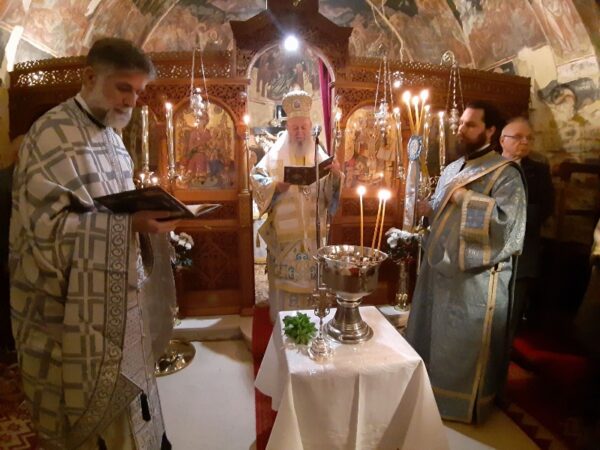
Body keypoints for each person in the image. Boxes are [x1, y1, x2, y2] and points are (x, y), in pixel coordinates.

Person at [10, 38, 179, 449]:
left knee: (135, 419)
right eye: (124, 88)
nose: (132, 101)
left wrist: (146, 219)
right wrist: (128, 225)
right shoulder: (51, 135)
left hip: (121, 310)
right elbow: (44, 236)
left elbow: (116, 209)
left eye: (138, 91)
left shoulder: (114, 141)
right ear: (89, 77)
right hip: (68, 320)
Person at [406, 101, 527, 423]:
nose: (461, 129)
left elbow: (505, 226)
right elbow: (441, 214)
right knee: (433, 336)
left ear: (490, 131)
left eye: (471, 124)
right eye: (461, 123)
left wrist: (464, 198)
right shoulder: (453, 168)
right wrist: (427, 210)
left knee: (459, 344)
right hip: (439, 269)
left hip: (474, 279)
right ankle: (428, 396)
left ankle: (457, 405)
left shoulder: (505, 174)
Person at [250, 90, 343, 322]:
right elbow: (256, 178)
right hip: (285, 239)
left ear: (310, 127)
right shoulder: (274, 154)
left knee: (313, 289)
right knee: (285, 293)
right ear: (287, 128)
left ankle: (313, 327)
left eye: (303, 127)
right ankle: (283, 330)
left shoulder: (319, 154)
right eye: (294, 128)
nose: (300, 132)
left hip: (313, 238)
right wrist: (276, 186)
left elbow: (330, 195)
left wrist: (336, 176)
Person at [500, 117, 554, 331]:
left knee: (512, 311)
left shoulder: (539, 171)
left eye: (529, 138)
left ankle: (505, 349)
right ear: (502, 140)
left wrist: (511, 223)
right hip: (489, 248)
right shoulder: (488, 166)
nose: (525, 142)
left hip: (522, 250)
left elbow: (545, 207)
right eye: (518, 137)